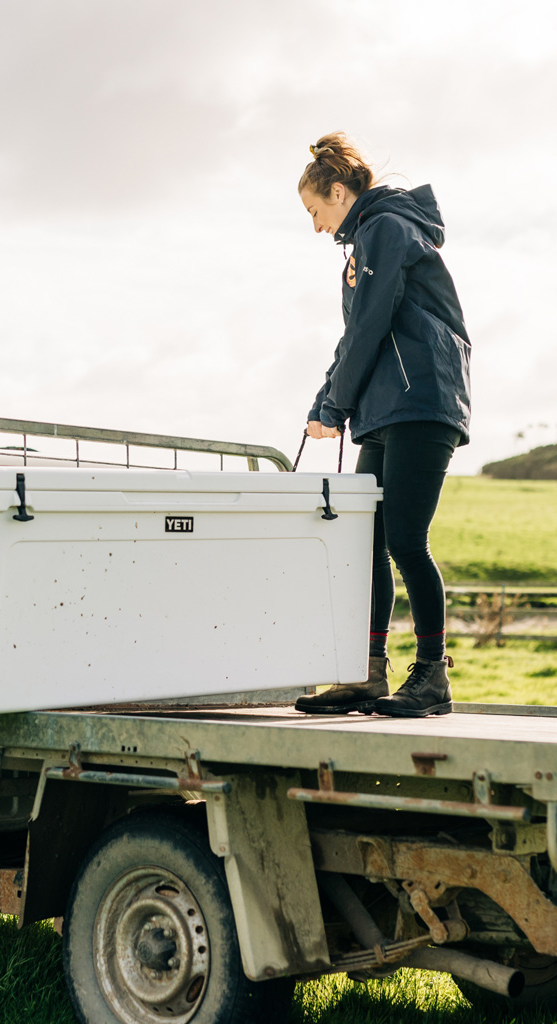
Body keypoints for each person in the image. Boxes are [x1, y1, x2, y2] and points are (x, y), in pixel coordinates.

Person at [291, 133, 471, 719]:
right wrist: (326, 403)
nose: (316, 226)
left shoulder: (387, 229)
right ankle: (367, 673)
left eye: (316, 211)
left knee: (404, 540)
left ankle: (431, 678)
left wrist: (334, 410)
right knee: (366, 544)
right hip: (387, 408)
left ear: (339, 192)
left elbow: (370, 326)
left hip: (422, 402)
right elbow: (356, 337)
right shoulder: (370, 237)